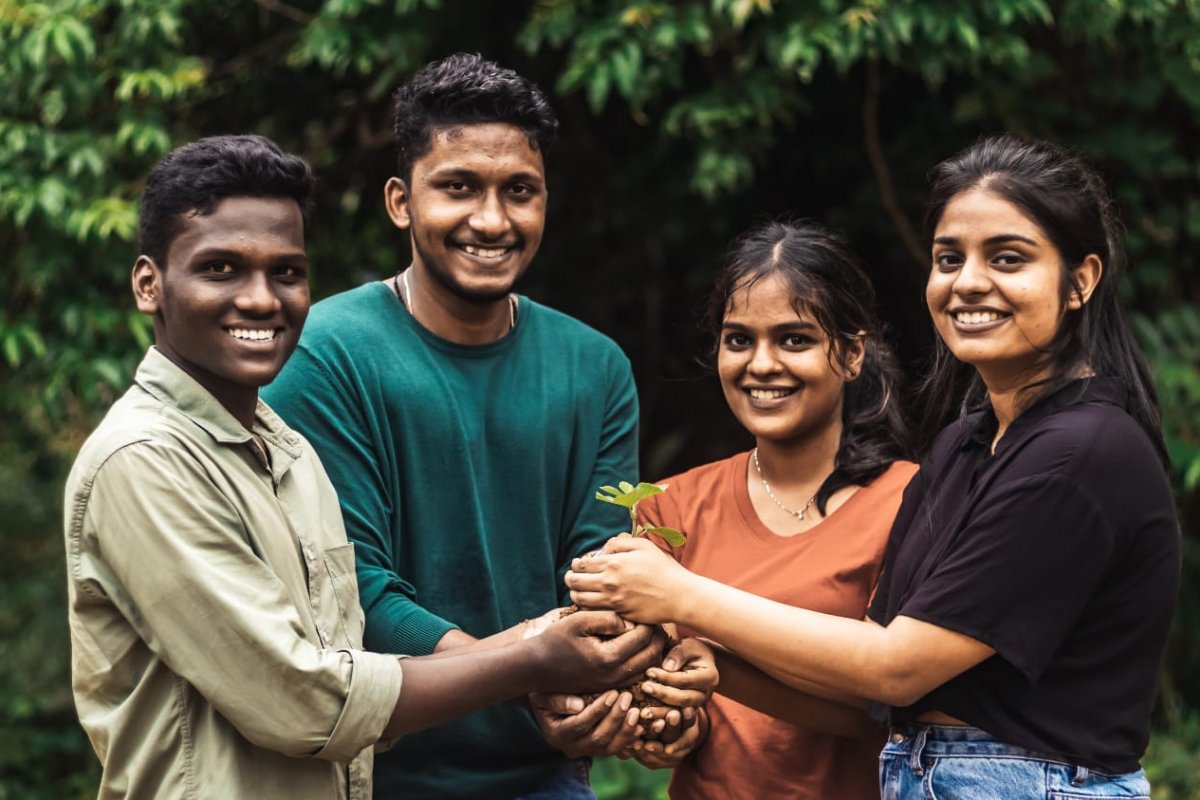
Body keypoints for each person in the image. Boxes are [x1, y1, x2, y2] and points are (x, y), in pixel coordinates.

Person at [567, 135, 1181, 798]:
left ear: (1080, 280)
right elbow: (873, 684)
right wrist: (715, 666)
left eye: (1007, 258)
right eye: (949, 258)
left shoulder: (1081, 453)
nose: (968, 281)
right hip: (925, 771)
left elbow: (896, 669)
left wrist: (682, 598)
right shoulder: (966, 445)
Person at [63, 134, 666, 800]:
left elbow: (345, 645)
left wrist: (636, 661)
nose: (262, 299)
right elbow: (304, 699)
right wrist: (531, 662)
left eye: (286, 272)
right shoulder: (146, 461)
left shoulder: (280, 448)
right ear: (150, 285)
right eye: (221, 269)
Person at [262, 54, 712, 799]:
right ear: (401, 201)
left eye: (520, 192)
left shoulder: (593, 366)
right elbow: (354, 591)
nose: (493, 220)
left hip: (547, 772)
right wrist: (529, 672)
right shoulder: (323, 353)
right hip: (380, 775)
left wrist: (616, 677)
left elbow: (602, 574)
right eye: (460, 187)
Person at [616, 220, 916, 798]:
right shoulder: (669, 504)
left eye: (794, 339)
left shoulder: (911, 502)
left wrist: (702, 626)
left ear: (852, 354)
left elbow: (889, 702)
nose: (761, 364)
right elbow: (665, 679)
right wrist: (667, 723)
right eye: (739, 339)